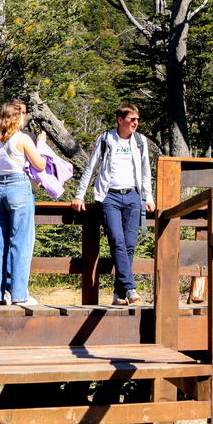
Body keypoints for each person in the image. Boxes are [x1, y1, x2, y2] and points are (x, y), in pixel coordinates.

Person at [71, 104, 156, 305]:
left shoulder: (141, 141)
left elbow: (145, 172)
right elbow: (90, 168)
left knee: (129, 245)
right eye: (132, 119)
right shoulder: (106, 139)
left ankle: (119, 293)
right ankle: (130, 288)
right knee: (117, 240)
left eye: (137, 119)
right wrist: (79, 195)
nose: (136, 123)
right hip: (110, 197)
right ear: (120, 120)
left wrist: (149, 197)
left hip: (133, 196)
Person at [0, 100, 47, 306]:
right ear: (17, 117)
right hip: (19, 186)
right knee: (21, 242)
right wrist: (42, 144)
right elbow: (41, 165)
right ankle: (19, 294)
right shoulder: (23, 139)